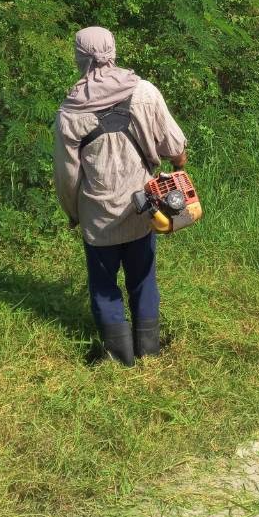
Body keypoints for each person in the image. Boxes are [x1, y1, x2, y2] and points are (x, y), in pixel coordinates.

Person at [54, 26, 187, 366]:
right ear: (113, 50)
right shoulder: (143, 91)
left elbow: (67, 177)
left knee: (104, 286)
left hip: (98, 218)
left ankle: (119, 359)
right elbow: (176, 147)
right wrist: (178, 164)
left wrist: (74, 213)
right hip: (143, 210)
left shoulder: (70, 111)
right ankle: (150, 354)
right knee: (143, 278)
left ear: (80, 57)